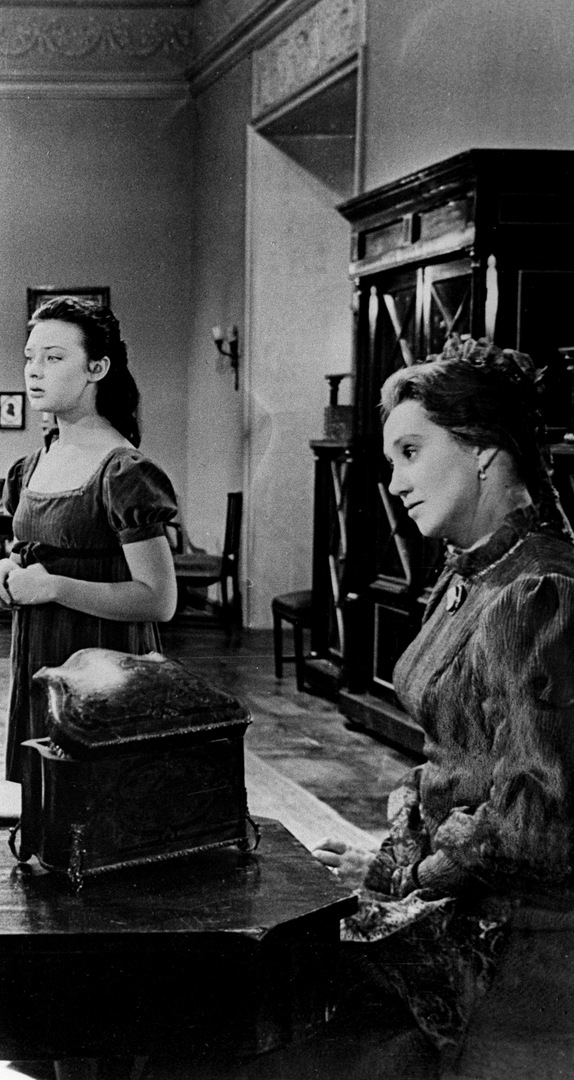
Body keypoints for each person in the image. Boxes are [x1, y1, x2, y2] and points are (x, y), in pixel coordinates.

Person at [313, 335, 574, 1069]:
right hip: (467, 907)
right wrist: (388, 858)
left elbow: (533, 828)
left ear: (484, 448)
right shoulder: (473, 575)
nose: (395, 482)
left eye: (411, 452)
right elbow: (460, 766)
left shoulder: (540, 591)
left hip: (519, 954)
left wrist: (408, 879)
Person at [0, 298, 178, 786]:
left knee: (95, 796)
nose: (35, 370)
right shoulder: (32, 465)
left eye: (54, 358)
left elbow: (159, 600)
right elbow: (30, 551)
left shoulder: (124, 471)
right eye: (30, 357)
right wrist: (8, 568)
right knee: (41, 792)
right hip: (38, 654)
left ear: (97, 368)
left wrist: (54, 587)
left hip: (103, 664)